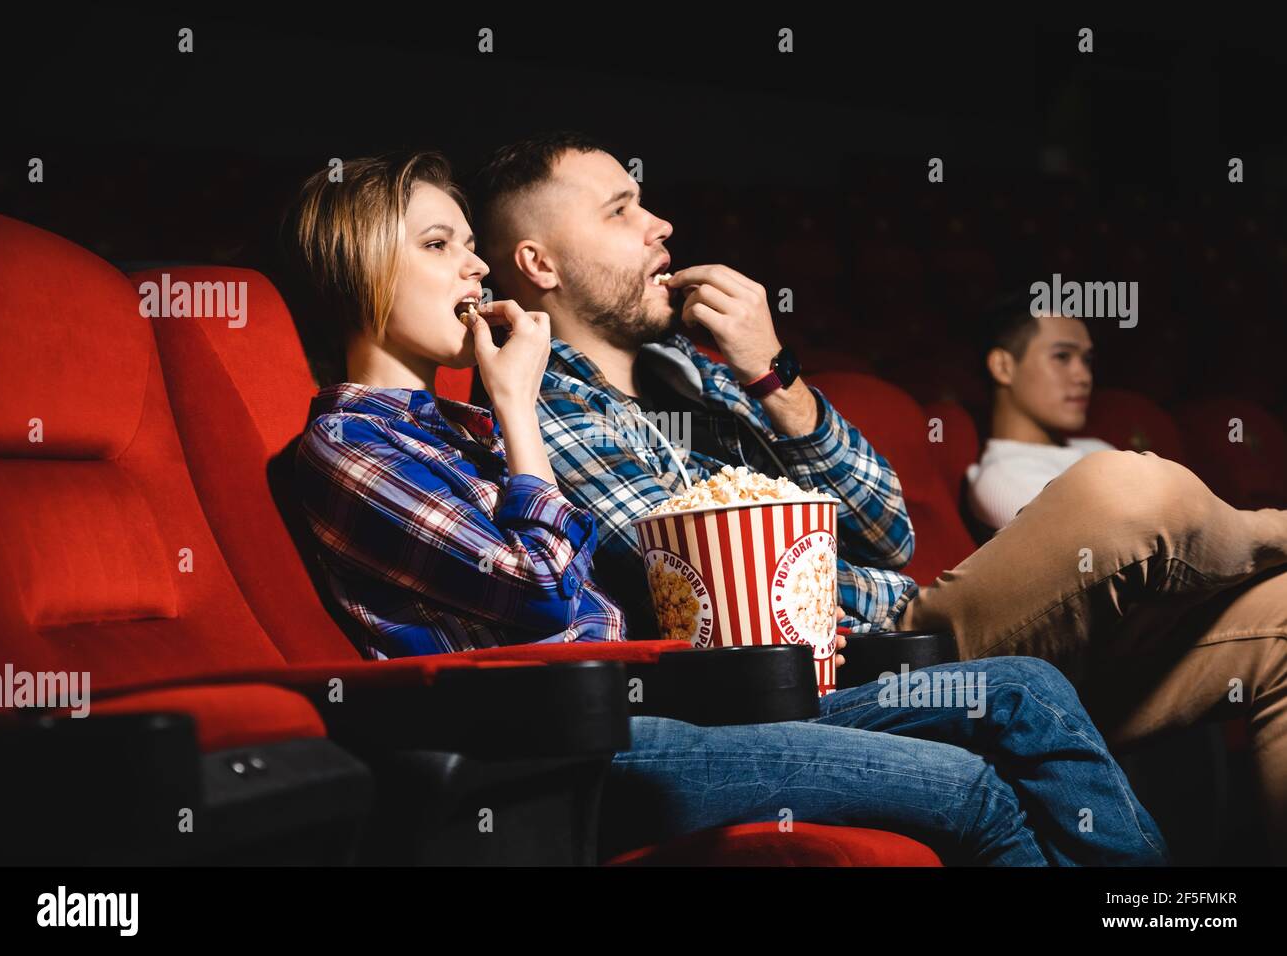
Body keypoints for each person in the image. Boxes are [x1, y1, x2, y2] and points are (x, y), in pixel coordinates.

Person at [280, 149, 1166, 866]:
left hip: (661, 700)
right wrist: (518, 410)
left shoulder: (473, 424)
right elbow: (546, 593)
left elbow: (883, 531)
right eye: (439, 245)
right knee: (971, 789)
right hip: (561, 746)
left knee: (1025, 692)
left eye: (470, 242)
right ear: (358, 269)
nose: (472, 264)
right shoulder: (354, 444)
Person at [472, 131, 1287, 860]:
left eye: (645, 204)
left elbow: (887, 529)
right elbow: (713, 589)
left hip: (919, 644)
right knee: (1122, 491)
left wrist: (774, 376)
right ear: (540, 264)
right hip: (863, 665)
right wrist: (878, 590)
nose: (661, 226)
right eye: (621, 211)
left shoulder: (700, 373)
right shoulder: (540, 404)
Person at [966, 294, 1112, 531]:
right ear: (1003, 367)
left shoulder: (1096, 447)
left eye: (1086, 360)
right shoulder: (1005, 477)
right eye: (1062, 356)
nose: (1084, 376)